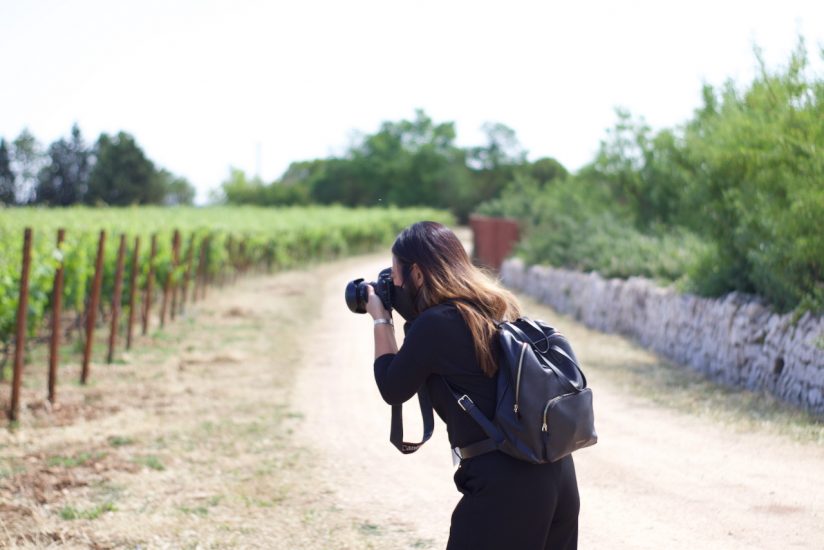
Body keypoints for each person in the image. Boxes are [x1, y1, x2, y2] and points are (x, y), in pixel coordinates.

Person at [366, 221, 580, 550]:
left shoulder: (435, 324)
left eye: (395, 275)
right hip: (557, 477)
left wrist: (381, 319)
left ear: (418, 274)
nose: (392, 284)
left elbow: (392, 387)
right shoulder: (494, 307)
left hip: (506, 487)